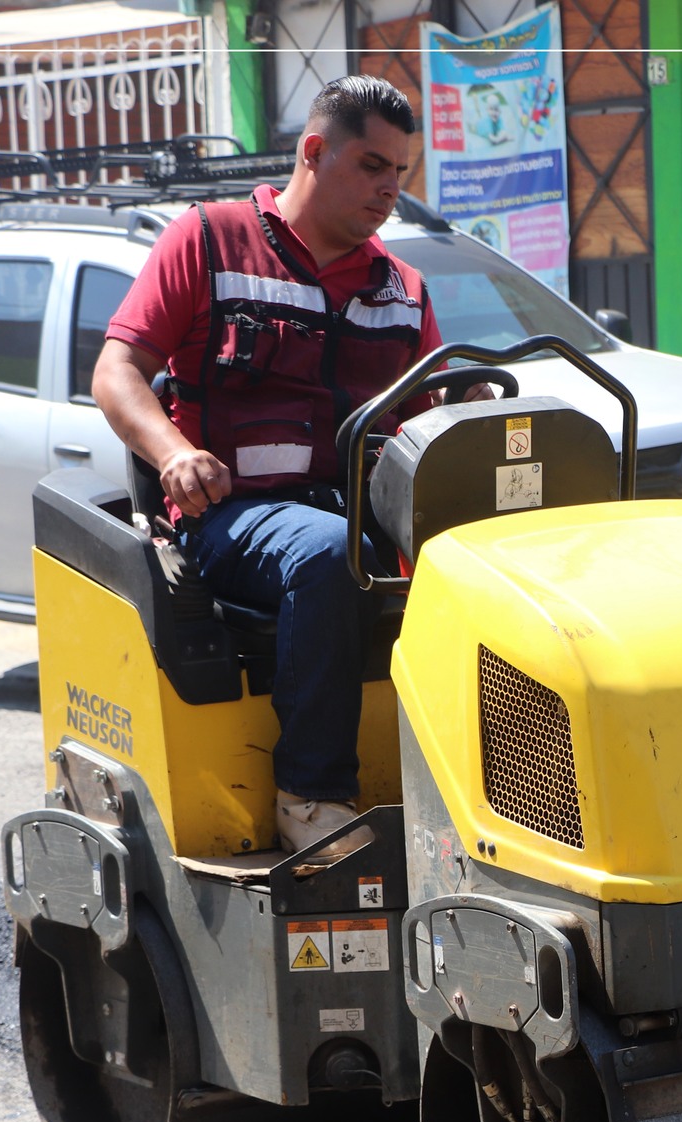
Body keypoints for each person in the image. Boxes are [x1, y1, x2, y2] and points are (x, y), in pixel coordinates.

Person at [92, 75, 442, 859]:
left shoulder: (401, 287)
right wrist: (174, 453)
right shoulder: (207, 241)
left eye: (401, 173)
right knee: (327, 552)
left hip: (355, 518)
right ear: (314, 152)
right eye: (372, 166)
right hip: (234, 519)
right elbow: (116, 374)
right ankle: (312, 796)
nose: (390, 189)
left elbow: (435, 416)